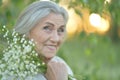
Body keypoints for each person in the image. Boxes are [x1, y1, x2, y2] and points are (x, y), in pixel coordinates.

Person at [14, 1, 75, 80]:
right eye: (47, 28)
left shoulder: (60, 65)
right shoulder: (13, 71)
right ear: (27, 31)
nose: (56, 39)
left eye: (60, 30)